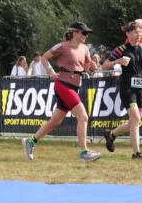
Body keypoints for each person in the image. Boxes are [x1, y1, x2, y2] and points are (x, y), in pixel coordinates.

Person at [22, 22, 101, 163]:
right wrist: (51, 72)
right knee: (83, 117)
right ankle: (84, 152)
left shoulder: (85, 49)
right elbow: (44, 57)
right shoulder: (63, 46)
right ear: (75, 32)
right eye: (84, 33)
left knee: (54, 122)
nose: (86, 35)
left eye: (87, 33)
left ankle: (31, 141)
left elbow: (88, 68)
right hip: (63, 85)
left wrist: (93, 67)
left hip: (74, 86)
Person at [102, 22, 142, 159]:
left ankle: (111, 134)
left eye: (140, 32)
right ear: (128, 34)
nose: (139, 35)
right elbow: (104, 66)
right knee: (136, 119)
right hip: (127, 87)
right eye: (135, 32)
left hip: (141, 88)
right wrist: (117, 62)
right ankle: (137, 152)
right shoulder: (121, 49)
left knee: (134, 121)